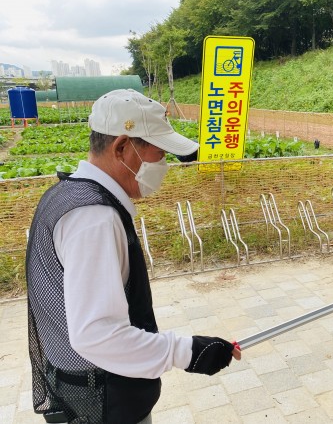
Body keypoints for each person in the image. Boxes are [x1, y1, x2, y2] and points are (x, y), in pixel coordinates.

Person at [26, 89, 241, 424]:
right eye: (159, 154)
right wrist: (186, 352)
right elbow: (95, 333)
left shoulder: (64, 195)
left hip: (82, 392)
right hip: (102, 403)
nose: (163, 165)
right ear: (123, 147)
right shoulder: (94, 218)